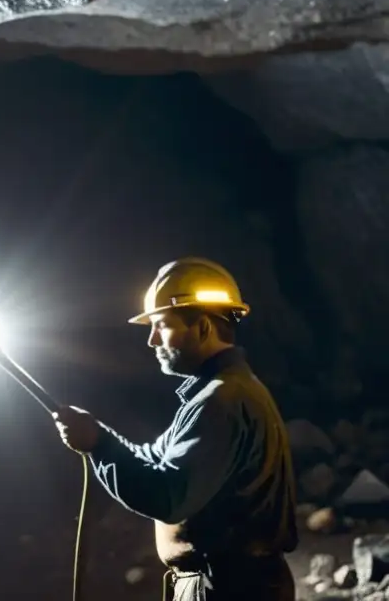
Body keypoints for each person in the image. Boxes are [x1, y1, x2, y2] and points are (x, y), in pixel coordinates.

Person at [52, 257, 298, 601]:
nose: (152, 340)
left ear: (202, 327)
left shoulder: (221, 401)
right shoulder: (225, 391)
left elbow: (167, 495)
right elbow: (155, 457)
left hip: (230, 589)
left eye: (162, 325)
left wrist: (99, 446)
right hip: (232, 583)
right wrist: (100, 436)